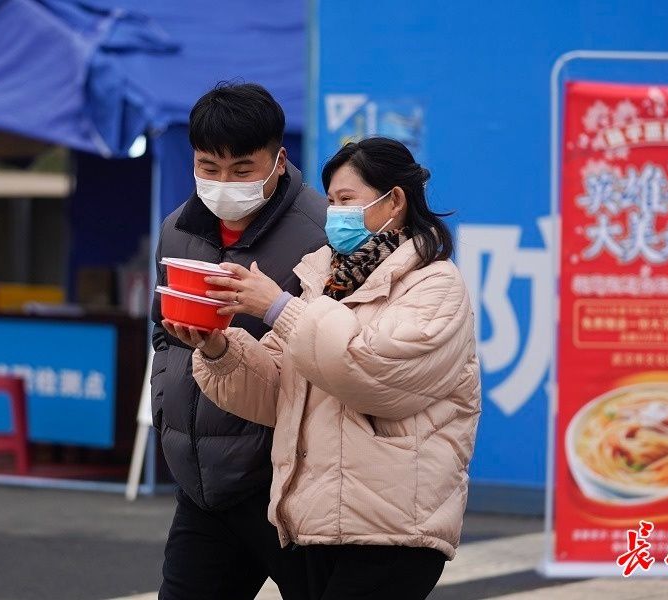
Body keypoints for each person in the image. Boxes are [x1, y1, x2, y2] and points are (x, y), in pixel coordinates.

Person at [164, 137, 481, 599]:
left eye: (347, 201)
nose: (336, 214)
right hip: (315, 520)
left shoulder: (434, 284)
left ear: (394, 200)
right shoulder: (322, 279)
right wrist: (218, 349)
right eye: (331, 202)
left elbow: (372, 374)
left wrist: (278, 308)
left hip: (391, 529)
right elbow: (275, 392)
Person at [150, 83, 327, 600]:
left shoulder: (320, 233)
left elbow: (332, 350)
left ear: (278, 160)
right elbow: (161, 332)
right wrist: (169, 411)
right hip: (202, 482)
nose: (224, 183)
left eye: (242, 170)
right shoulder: (177, 229)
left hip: (290, 481)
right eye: (208, 167)